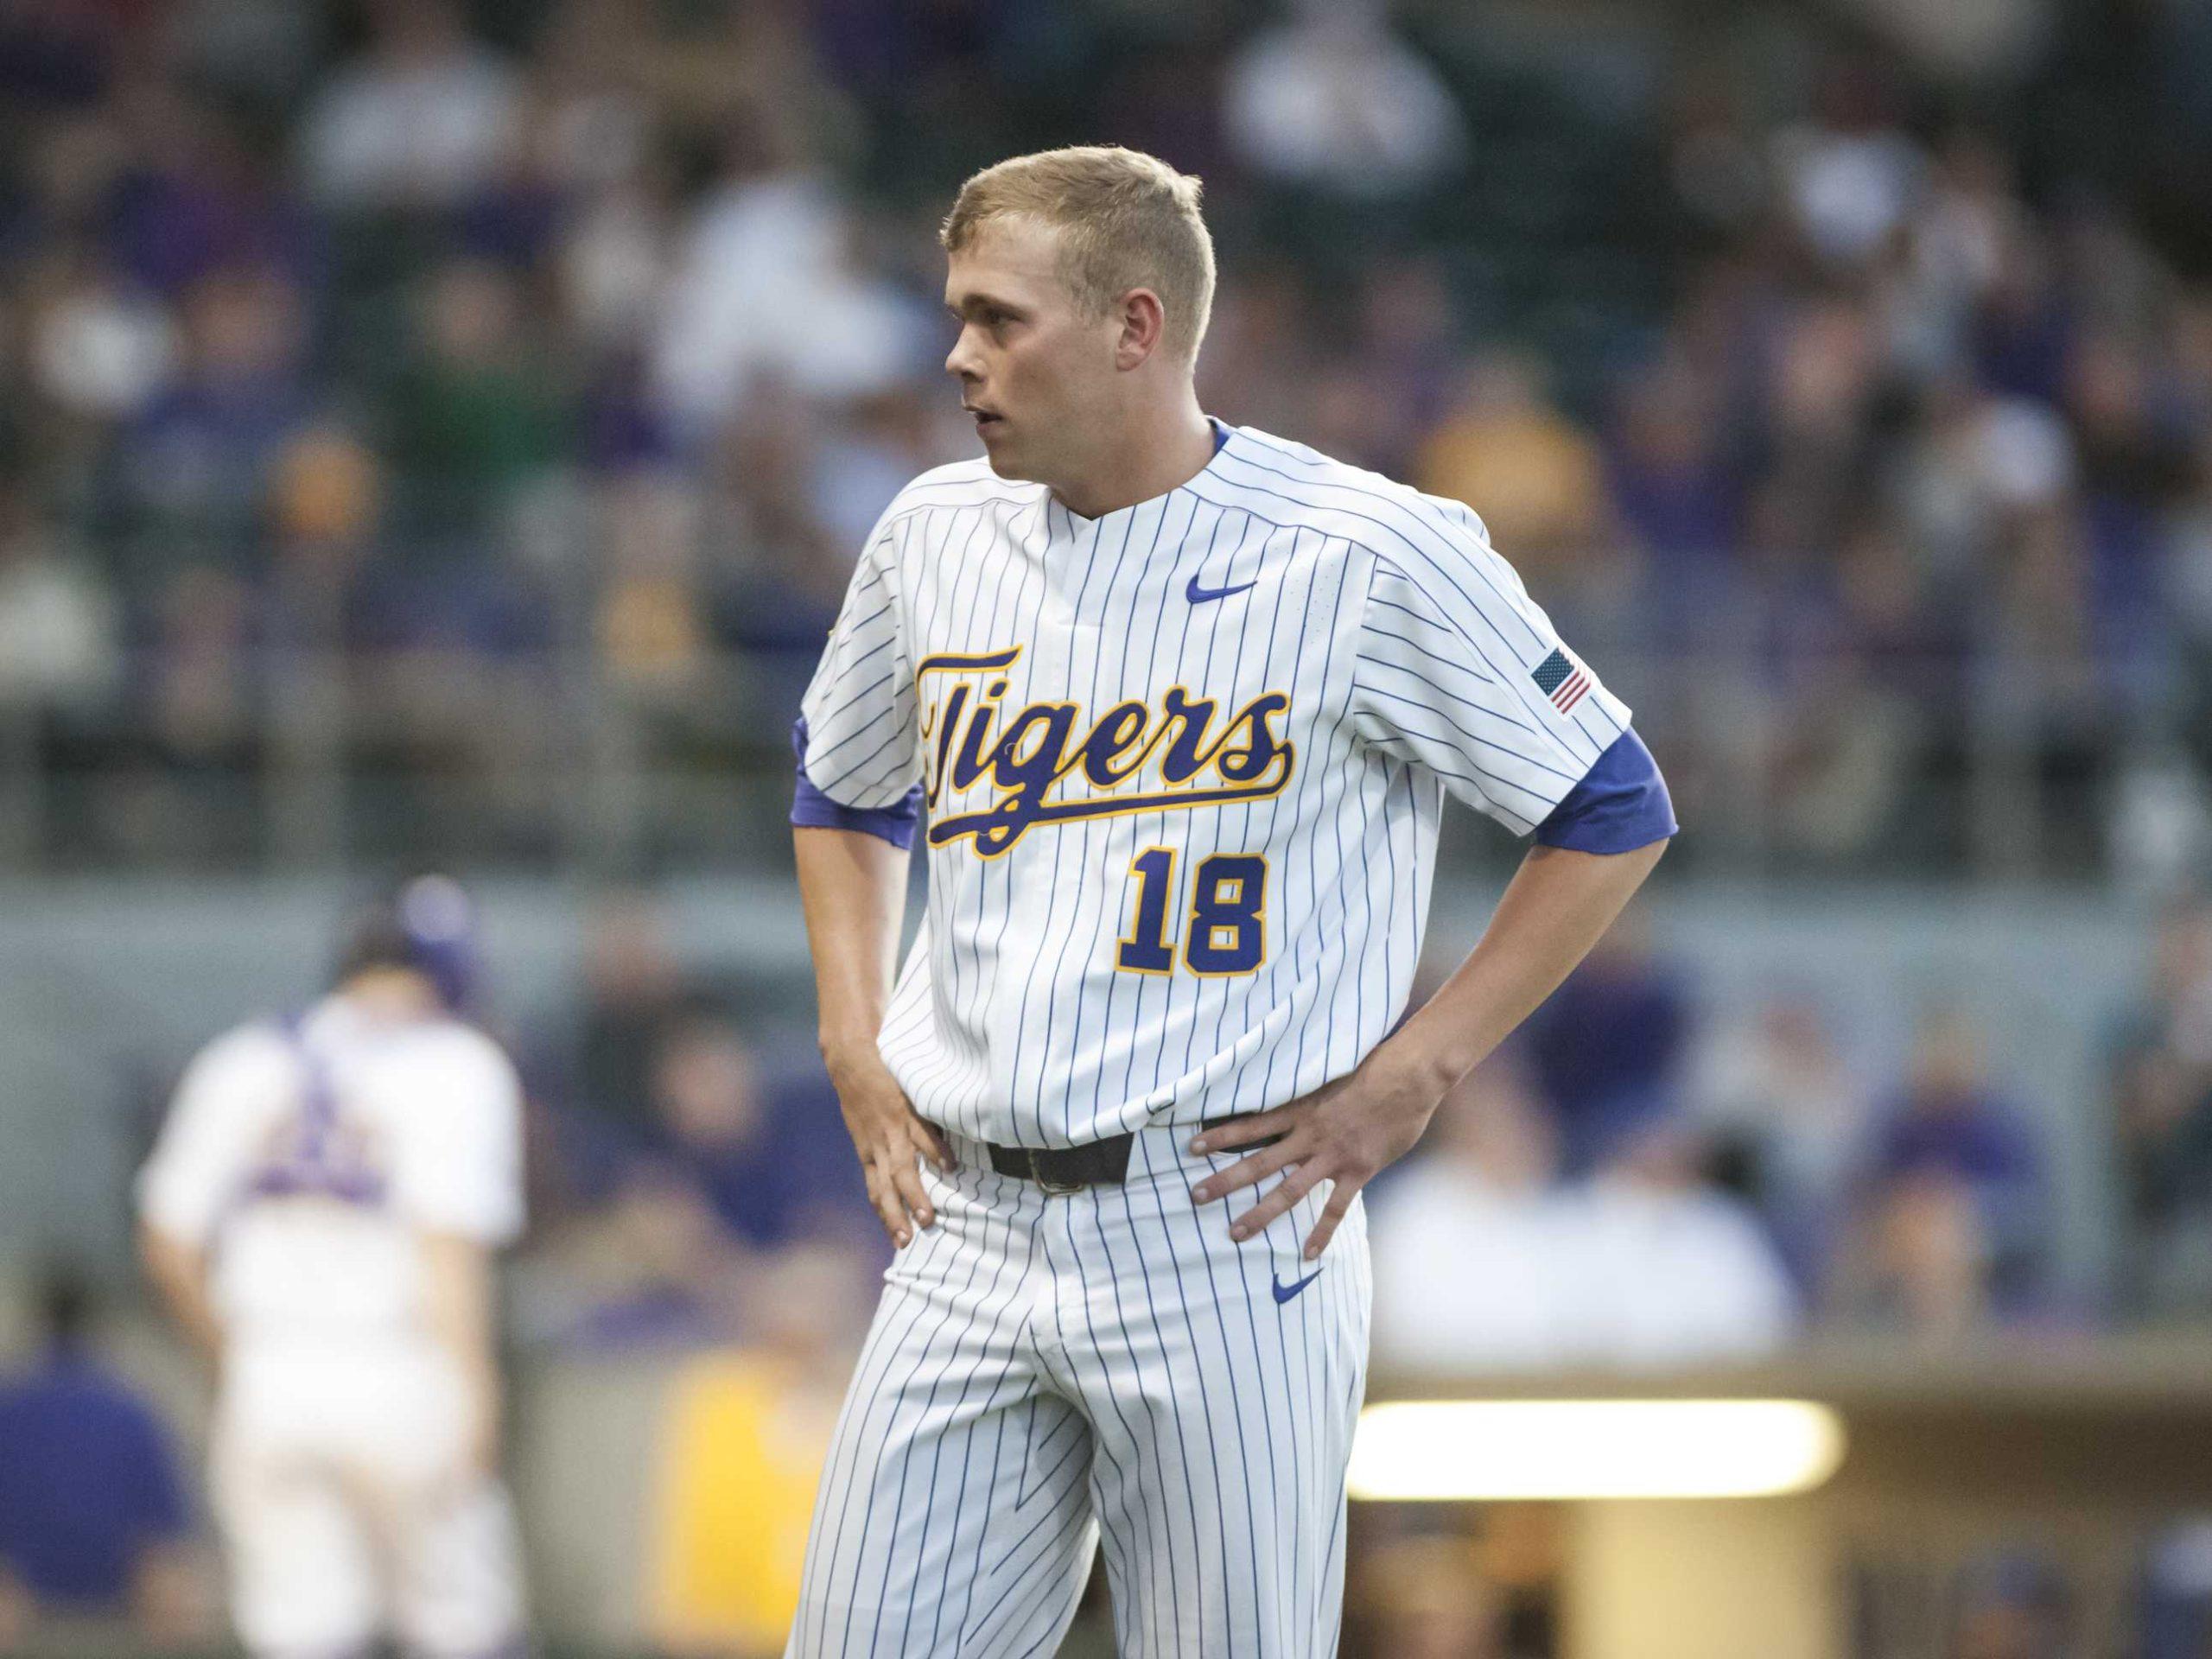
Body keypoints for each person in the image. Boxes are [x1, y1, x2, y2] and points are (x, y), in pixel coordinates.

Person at [785, 146, 1676, 1655]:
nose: (958, 355)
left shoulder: (1368, 551)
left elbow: (1611, 807)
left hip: (1224, 1223)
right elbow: (844, 786)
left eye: (1002, 320)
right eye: (960, 316)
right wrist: (852, 1037)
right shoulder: (932, 534)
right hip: (969, 1222)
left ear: (1136, 328)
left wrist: (1419, 1072)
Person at [136, 875, 528, 1659]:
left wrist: (236, 1358)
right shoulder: (456, 1061)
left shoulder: (243, 1057)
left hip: (272, 1371)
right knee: (465, 1629)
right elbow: (447, 1245)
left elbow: (165, 1244)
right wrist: (477, 1391)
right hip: (404, 1366)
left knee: (304, 1636)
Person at [0, 1267, 203, 1646]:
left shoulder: (10, 1406)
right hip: (117, 1607)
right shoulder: (128, 1409)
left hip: (23, 1609)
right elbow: (164, 1538)